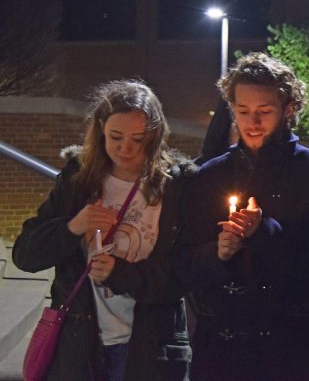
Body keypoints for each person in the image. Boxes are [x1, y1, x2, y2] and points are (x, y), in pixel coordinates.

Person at [176, 52, 309, 381]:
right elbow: (184, 262)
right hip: (222, 350)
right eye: (243, 112)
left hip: (290, 349)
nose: (252, 123)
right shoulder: (210, 174)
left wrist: (263, 231)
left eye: (264, 112)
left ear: (289, 109)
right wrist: (216, 253)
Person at [13, 80, 192, 381]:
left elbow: (183, 274)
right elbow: (25, 255)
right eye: (116, 137)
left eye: (138, 139)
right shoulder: (77, 181)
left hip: (150, 345)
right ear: (100, 130)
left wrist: (119, 273)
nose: (126, 149)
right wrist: (73, 227)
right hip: (81, 346)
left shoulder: (177, 186)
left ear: (155, 135)